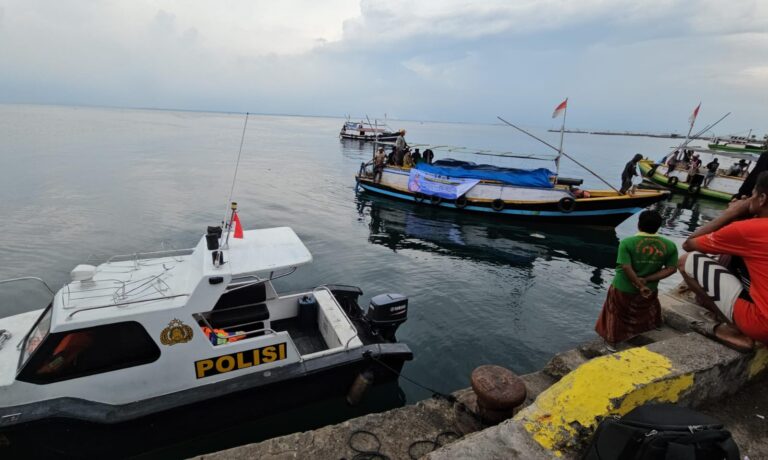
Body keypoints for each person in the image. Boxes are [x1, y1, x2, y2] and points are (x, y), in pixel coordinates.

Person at [678, 171, 768, 351]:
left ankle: (734, 329)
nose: (749, 199)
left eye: (753, 195)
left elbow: (689, 244)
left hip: (761, 325)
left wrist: (730, 213)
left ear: (762, 198)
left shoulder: (749, 229)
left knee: (688, 261)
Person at [595, 210, 678, 349]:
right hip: (650, 287)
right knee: (646, 309)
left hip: (623, 286)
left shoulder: (627, 243)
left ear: (639, 224)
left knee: (615, 313)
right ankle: (650, 328)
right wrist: (646, 280)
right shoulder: (670, 245)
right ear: (659, 226)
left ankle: (612, 342)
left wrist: (639, 285)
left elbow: (626, 267)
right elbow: (671, 268)